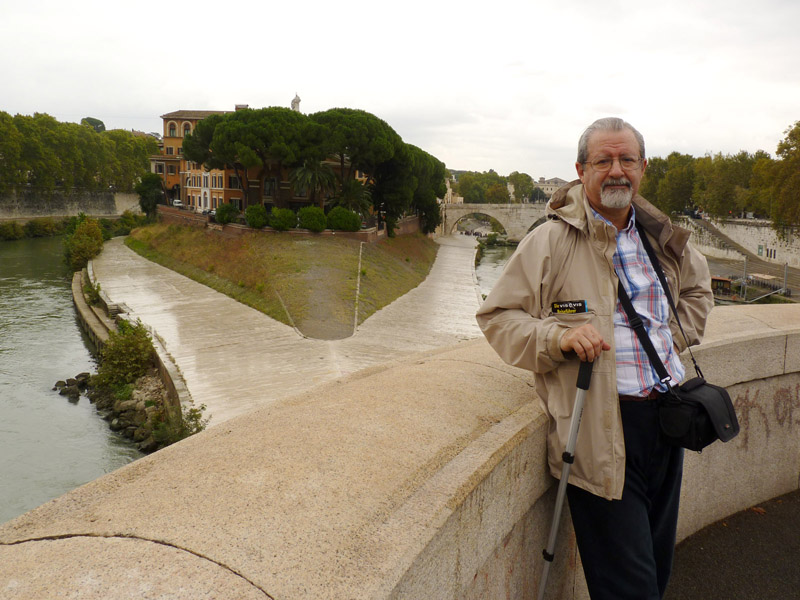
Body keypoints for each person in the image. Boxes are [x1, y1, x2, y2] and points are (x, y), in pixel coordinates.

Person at [476, 117, 713, 599]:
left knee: (657, 570)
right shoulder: (550, 241)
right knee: (630, 588)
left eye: (627, 159)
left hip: (667, 422)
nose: (616, 170)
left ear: (643, 167)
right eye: (603, 161)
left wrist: (664, 339)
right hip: (599, 429)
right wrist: (556, 338)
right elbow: (498, 316)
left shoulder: (661, 238)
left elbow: (698, 292)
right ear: (581, 170)